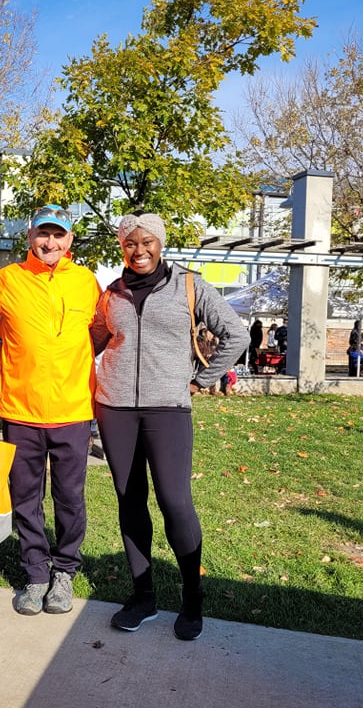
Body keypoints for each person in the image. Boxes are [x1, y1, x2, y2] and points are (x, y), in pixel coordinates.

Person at [90, 212, 249, 641]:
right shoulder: (112, 293)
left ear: (160, 244)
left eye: (147, 242)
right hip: (115, 406)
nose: (138, 250)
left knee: (175, 501)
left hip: (168, 409)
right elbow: (94, 340)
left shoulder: (189, 286)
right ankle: (143, 596)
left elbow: (236, 335)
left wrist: (202, 379)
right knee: (130, 500)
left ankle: (192, 598)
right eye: (129, 243)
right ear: (122, 247)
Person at [0, 204, 100, 616]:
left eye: (59, 235)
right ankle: (35, 574)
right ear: (29, 236)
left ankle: (65, 570)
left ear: (70, 241)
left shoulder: (87, 282)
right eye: (43, 234)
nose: (50, 243)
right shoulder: (4, 281)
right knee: (26, 497)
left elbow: (101, 330)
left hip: (73, 409)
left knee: (70, 497)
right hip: (19, 409)